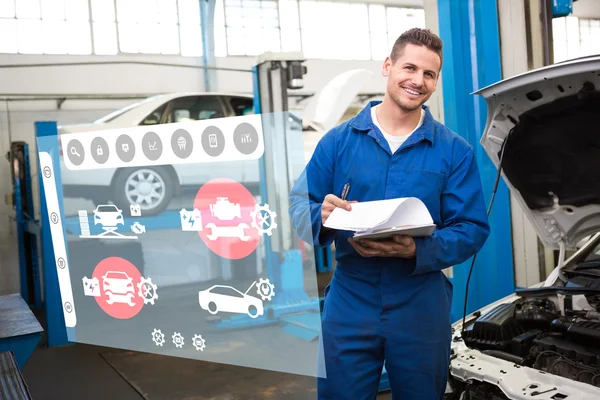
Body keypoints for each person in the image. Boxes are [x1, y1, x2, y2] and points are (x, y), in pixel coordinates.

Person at [288, 28, 490, 399]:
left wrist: (416, 251)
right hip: (351, 295)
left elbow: (472, 227)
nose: (417, 81)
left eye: (429, 74)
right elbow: (299, 204)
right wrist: (323, 215)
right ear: (388, 66)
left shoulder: (453, 150)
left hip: (420, 298)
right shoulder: (338, 141)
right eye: (409, 67)